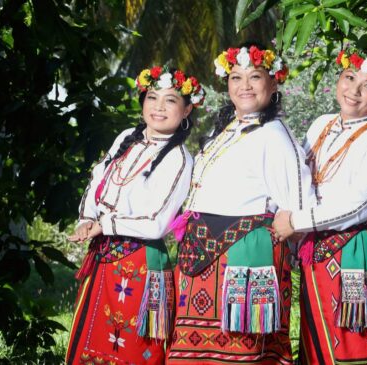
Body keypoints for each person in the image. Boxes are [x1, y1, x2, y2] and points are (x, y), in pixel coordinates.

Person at [165, 43, 311, 365]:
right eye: (235, 77)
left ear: (273, 84)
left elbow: (298, 205)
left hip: (243, 255)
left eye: (255, 77)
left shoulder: (275, 135)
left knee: (242, 350)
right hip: (201, 254)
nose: (244, 86)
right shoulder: (227, 128)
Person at [273, 47, 367, 364]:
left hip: (356, 250)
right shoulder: (321, 125)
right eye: (349, 78)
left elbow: (356, 207)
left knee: (357, 341)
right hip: (316, 248)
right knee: (319, 339)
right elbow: (302, 178)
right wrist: (292, 224)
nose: (354, 90)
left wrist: (297, 221)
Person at [65, 65, 205, 364]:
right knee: (91, 342)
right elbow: (98, 180)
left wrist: (105, 224)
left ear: (187, 109)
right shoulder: (127, 137)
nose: (158, 107)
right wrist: (87, 218)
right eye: (152, 97)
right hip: (103, 258)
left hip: (140, 264)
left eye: (170, 100)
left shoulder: (179, 159)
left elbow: (157, 223)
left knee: (132, 351)